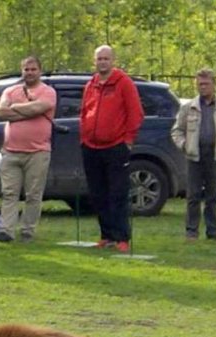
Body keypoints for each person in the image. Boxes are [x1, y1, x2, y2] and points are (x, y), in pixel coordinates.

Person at [79, 45, 144, 253]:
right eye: (99, 59)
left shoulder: (124, 83)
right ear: (94, 61)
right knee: (98, 193)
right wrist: (84, 136)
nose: (102, 62)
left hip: (116, 146)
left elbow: (136, 113)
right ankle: (106, 235)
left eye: (106, 59)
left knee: (117, 193)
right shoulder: (91, 84)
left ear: (113, 61)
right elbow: (84, 112)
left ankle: (122, 237)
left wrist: (128, 140)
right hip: (90, 146)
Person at [171, 68, 216, 241]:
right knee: (193, 195)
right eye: (199, 84)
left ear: (214, 84)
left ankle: (213, 232)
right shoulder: (188, 108)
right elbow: (177, 131)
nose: (202, 87)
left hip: (215, 155)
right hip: (194, 155)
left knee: (212, 196)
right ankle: (191, 232)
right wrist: (184, 145)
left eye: (206, 84)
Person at [0, 56, 57, 243]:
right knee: (9, 193)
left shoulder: (48, 92)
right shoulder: (10, 90)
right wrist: (29, 111)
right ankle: (7, 230)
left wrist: (16, 108)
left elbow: (41, 107)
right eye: (26, 69)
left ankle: (28, 231)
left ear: (39, 70)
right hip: (10, 151)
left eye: (33, 69)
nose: (29, 72)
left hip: (38, 152)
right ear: (22, 71)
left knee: (33, 194)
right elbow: (1, 112)